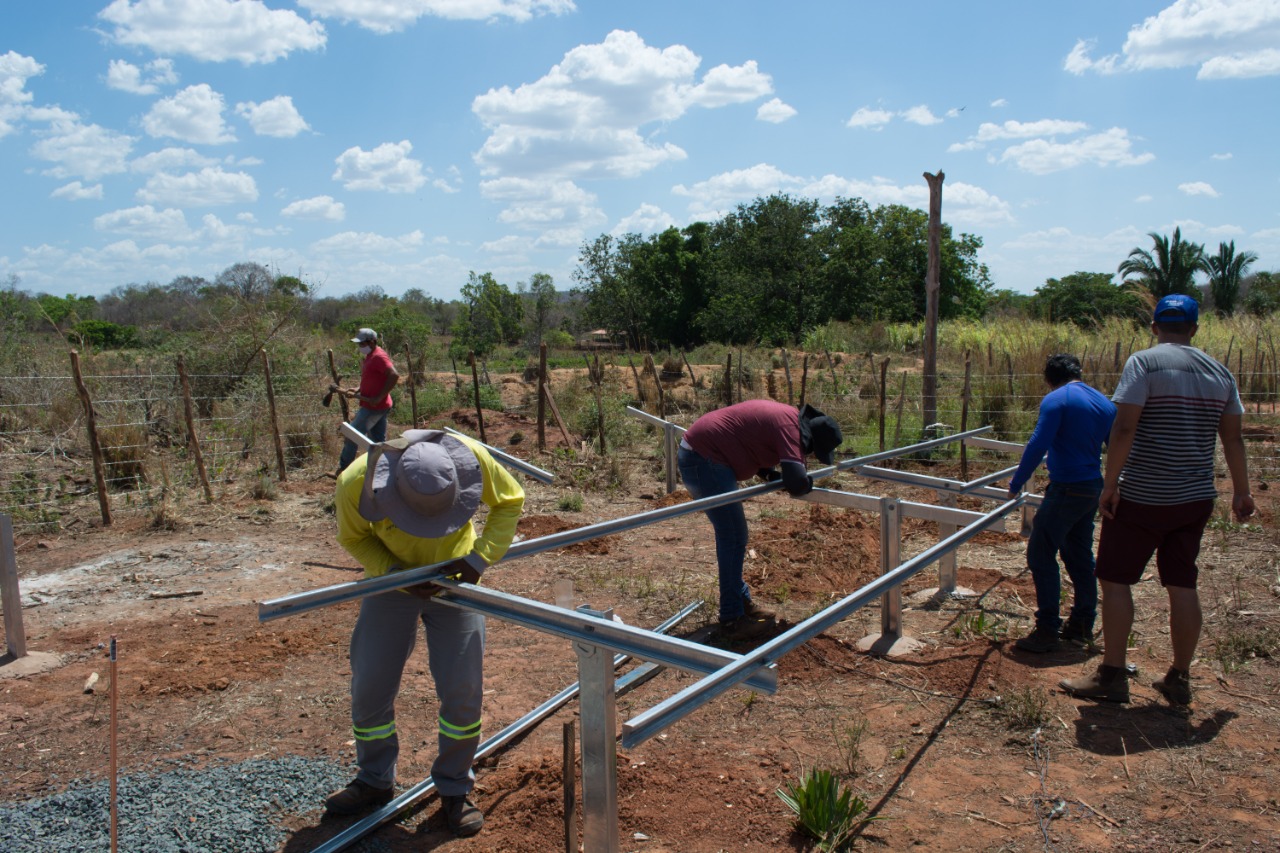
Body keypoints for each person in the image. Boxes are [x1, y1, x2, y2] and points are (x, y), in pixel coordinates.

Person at [325, 429, 525, 837]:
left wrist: (479, 559)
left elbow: (510, 500)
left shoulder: (470, 458)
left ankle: (454, 786)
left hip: (456, 579)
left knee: (462, 688)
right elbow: (353, 537)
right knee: (371, 683)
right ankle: (374, 779)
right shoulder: (356, 482)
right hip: (390, 584)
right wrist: (393, 573)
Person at [1061, 294, 1254, 706]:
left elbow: (1124, 428)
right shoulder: (1220, 373)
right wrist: (1242, 491)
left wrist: (1110, 485)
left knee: (1115, 581)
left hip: (1143, 495)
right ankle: (1179, 677)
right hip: (1195, 498)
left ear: (1154, 327)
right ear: (1194, 329)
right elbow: (1233, 438)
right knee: (1182, 583)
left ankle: (1112, 674)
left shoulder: (1144, 363)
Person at [678, 400, 843, 642]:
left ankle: (740, 601)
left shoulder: (788, 418)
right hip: (704, 458)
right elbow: (797, 483)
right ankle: (732, 619)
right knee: (733, 535)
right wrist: (803, 481)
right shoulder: (791, 429)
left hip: (702, 452)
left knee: (734, 535)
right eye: (810, 452)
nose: (807, 455)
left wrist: (767, 473)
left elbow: (747, 438)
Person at [1008, 354, 1116, 653]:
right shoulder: (1104, 403)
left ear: (1049, 378)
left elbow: (1038, 443)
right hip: (1091, 487)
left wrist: (1016, 483)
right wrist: (1112, 486)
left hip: (1067, 487)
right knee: (1079, 555)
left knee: (1041, 553)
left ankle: (1047, 629)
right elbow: (1116, 446)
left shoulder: (1057, 400)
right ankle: (1081, 624)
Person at [337, 328, 400, 474]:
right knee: (377, 442)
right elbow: (373, 378)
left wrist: (379, 397)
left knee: (352, 435)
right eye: (359, 344)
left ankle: (344, 470)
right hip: (378, 405)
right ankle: (381, 470)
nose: (360, 346)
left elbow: (394, 375)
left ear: (372, 342)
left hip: (374, 407)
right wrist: (358, 389)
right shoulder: (370, 356)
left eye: (362, 343)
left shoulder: (378, 357)